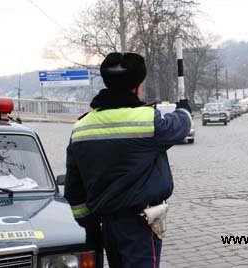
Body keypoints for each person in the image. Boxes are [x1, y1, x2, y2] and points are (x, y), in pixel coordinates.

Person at [64, 52, 192, 268]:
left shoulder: (81, 128)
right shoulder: (149, 121)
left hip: (106, 224)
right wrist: (184, 108)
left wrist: (91, 226)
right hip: (141, 223)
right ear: (137, 87)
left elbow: (74, 192)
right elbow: (182, 124)